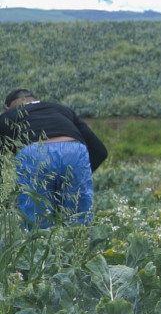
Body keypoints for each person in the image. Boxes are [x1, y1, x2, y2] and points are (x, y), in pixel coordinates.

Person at [1, 88, 109, 228]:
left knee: (37, 221)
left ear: (7, 107)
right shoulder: (61, 109)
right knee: (78, 220)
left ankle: (40, 246)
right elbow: (100, 151)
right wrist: (79, 175)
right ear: (35, 100)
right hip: (74, 151)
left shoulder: (7, 116)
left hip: (35, 153)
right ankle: (79, 245)